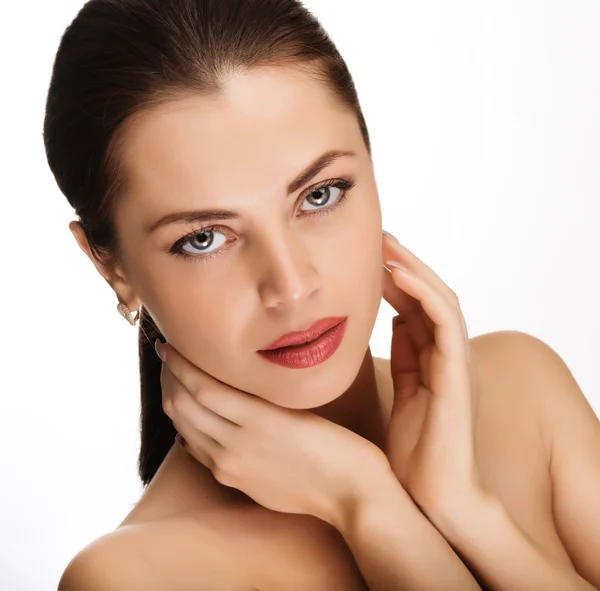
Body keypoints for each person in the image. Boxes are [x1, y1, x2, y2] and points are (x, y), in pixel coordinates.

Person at [45, 1, 600, 589]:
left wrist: (468, 511)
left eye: (319, 195)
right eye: (203, 238)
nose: (292, 284)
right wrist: (367, 504)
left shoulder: (526, 388)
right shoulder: (137, 577)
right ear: (111, 266)